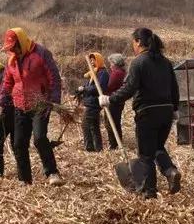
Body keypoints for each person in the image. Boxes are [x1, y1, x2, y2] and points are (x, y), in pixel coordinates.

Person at [100, 27, 182, 199]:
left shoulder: (139, 62)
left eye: (133, 43)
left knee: (145, 155)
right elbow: (174, 88)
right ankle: (170, 170)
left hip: (147, 112)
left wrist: (110, 99)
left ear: (138, 42)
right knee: (157, 147)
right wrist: (174, 109)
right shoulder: (165, 62)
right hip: (166, 113)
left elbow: (129, 88)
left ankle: (149, 191)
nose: (133, 47)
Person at [0, 27, 64, 186]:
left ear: (21, 42)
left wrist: (54, 99)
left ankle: (52, 172)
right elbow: (7, 84)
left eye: (14, 47)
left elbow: (54, 77)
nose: (13, 51)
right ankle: (24, 179)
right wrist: (1, 102)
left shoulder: (41, 53)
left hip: (40, 103)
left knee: (39, 138)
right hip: (20, 105)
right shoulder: (11, 60)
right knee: (19, 143)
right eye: (10, 49)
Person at [76, 52, 109, 152]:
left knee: (85, 124)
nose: (91, 61)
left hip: (94, 103)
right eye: (90, 60)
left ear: (98, 60)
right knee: (94, 125)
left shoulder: (103, 73)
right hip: (90, 102)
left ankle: (89, 148)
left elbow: (99, 88)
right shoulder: (94, 72)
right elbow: (89, 86)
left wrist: (85, 89)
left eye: (93, 59)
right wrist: (81, 90)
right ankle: (98, 148)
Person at [105, 53, 128, 150]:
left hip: (114, 100)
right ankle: (117, 143)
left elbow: (109, 86)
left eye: (111, 63)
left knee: (111, 123)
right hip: (118, 100)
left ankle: (113, 144)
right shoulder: (122, 72)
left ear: (115, 63)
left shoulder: (117, 73)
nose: (110, 65)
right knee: (115, 122)